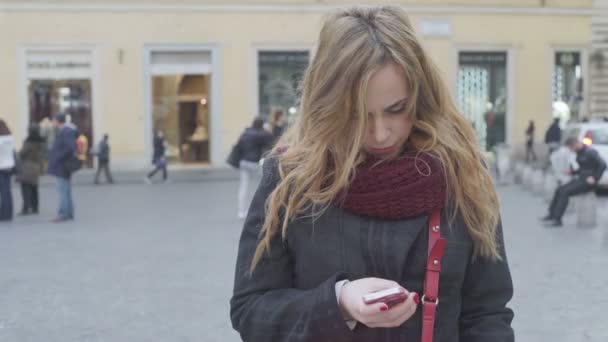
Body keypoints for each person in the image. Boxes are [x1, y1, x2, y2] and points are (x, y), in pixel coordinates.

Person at [230, 6, 514, 342]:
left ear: (421, 97)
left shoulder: (462, 175)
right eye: (357, 116)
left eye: (397, 110)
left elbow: (487, 314)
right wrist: (339, 302)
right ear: (328, 107)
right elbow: (250, 311)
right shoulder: (291, 180)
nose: (381, 134)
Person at [542, 137, 607, 227]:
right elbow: (584, 168)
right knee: (559, 190)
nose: (570, 150)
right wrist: (572, 172)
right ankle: (551, 214)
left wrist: (595, 178)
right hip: (581, 179)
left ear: (575, 145)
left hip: (588, 182)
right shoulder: (579, 153)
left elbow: (603, 165)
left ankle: (557, 219)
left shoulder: (590, 152)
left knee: (565, 192)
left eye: (570, 148)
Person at [236, 117, 273, 219]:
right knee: (262, 186)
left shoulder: (245, 133)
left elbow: (239, 146)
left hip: (243, 162)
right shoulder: (260, 134)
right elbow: (271, 141)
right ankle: (262, 209)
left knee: (244, 187)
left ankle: (241, 211)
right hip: (254, 163)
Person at [47, 112, 78, 222]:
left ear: (58, 121)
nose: (52, 122)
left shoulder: (66, 131)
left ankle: (63, 213)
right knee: (66, 190)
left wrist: (58, 157)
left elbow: (70, 148)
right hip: (63, 165)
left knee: (63, 190)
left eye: (53, 120)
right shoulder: (65, 131)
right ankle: (69, 212)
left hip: (62, 165)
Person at [17, 123, 45, 215]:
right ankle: (35, 207)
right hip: (36, 166)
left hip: (27, 167)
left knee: (25, 187)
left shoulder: (28, 142)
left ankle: (26, 208)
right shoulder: (41, 141)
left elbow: (22, 153)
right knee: (34, 188)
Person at [0, 119, 16, 221]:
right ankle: (8, 213)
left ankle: (4, 214)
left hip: (1, 167)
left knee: (3, 192)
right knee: (7, 191)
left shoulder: (0, 140)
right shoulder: (10, 138)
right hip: (9, 166)